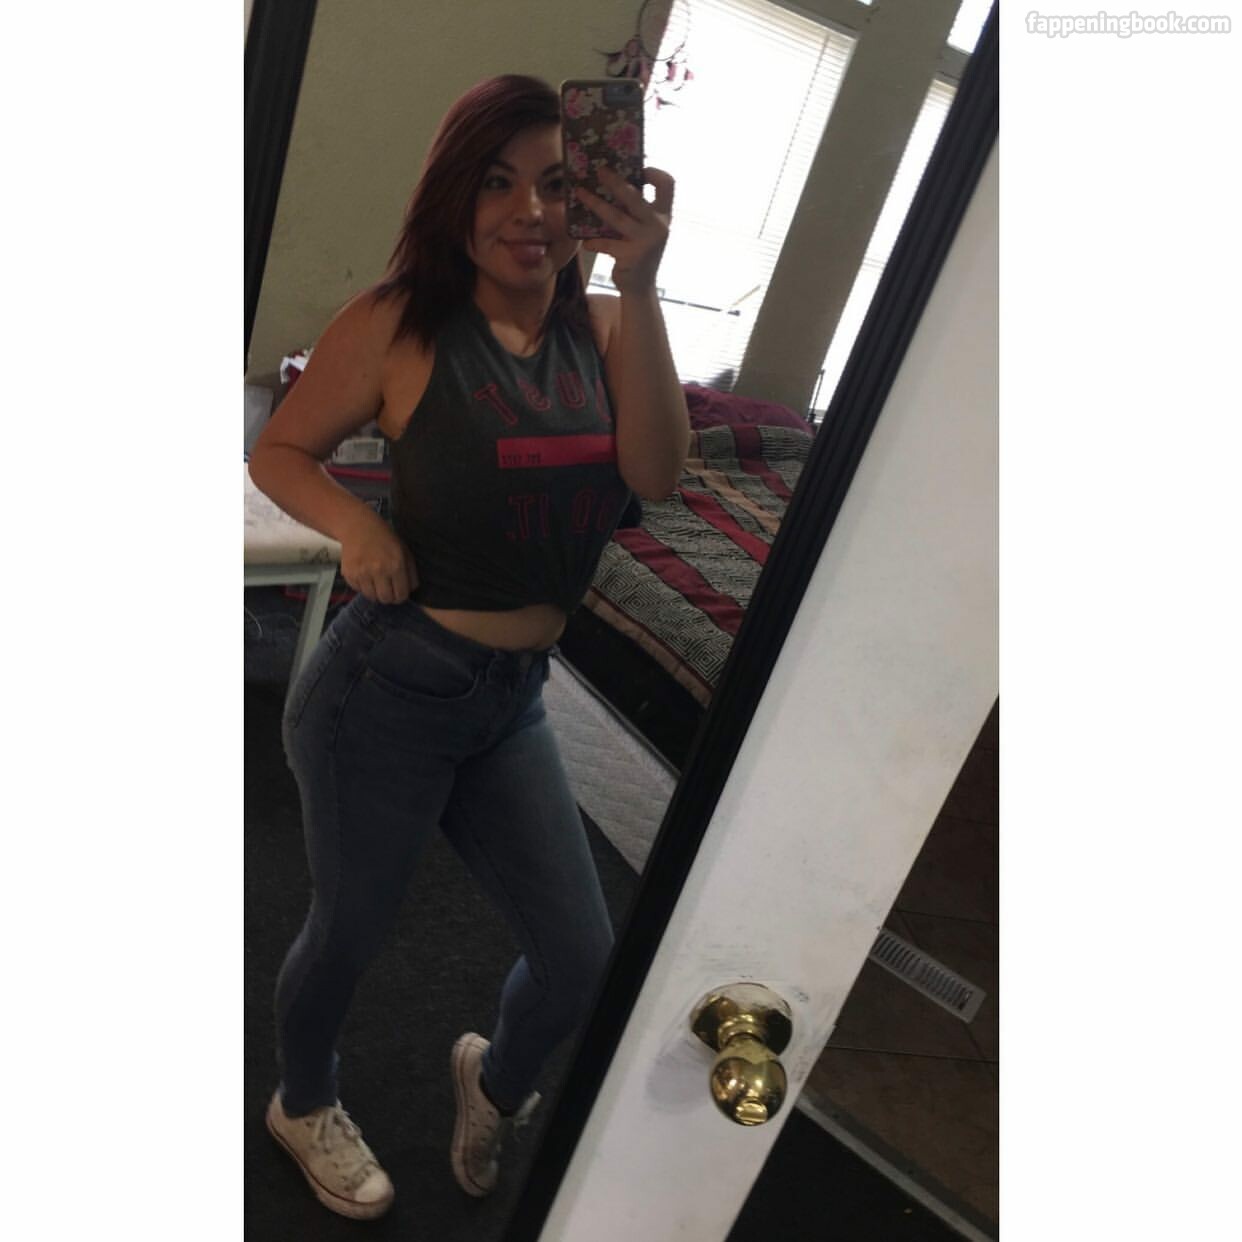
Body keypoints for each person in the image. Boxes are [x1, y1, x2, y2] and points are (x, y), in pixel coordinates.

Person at [247, 74, 688, 1221]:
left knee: (581, 956)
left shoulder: (606, 331)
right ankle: (303, 1099)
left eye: (556, 184)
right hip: (385, 689)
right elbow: (280, 452)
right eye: (497, 182)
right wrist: (357, 529)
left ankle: (492, 1081)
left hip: (515, 699)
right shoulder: (396, 323)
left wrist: (642, 286)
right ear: (455, 193)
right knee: (350, 929)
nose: (528, 211)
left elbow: (656, 472)